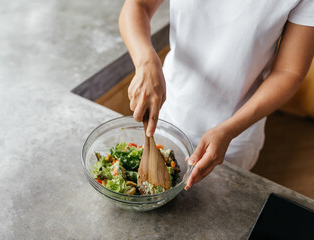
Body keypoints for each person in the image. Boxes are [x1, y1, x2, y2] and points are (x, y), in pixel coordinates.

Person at [118, 0, 314, 190]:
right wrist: (146, 61)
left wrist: (229, 130)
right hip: (168, 108)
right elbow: (138, 5)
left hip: (236, 131)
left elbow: (289, 72)